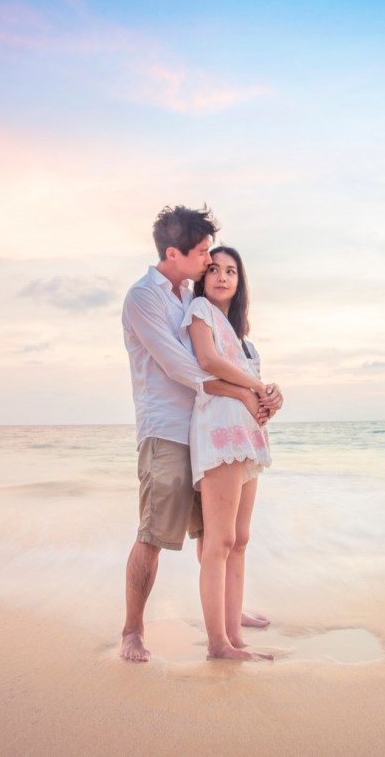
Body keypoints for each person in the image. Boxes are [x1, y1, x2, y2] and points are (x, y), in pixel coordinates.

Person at [119, 206, 281, 663]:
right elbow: (184, 367)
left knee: (215, 537)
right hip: (167, 430)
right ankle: (133, 630)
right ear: (174, 253)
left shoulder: (193, 294)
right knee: (153, 534)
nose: (210, 263)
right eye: (203, 253)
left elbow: (230, 354)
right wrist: (249, 393)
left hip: (207, 427)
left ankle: (226, 618)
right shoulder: (144, 298)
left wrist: (262, 392)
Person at [182, 246, 277, 660]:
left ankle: (235, 634)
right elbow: (207, 363)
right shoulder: (200, 310)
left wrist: (273, 394)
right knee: (218, 541)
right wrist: (257, 388)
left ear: (240, 282)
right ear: (202, 278)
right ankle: (218, 644)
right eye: (214, 269)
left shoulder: (244, 340)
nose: (222, 277)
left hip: (247, 434)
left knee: (240, 539)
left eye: (231, 271)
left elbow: (253, 384)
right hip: (220, 430)